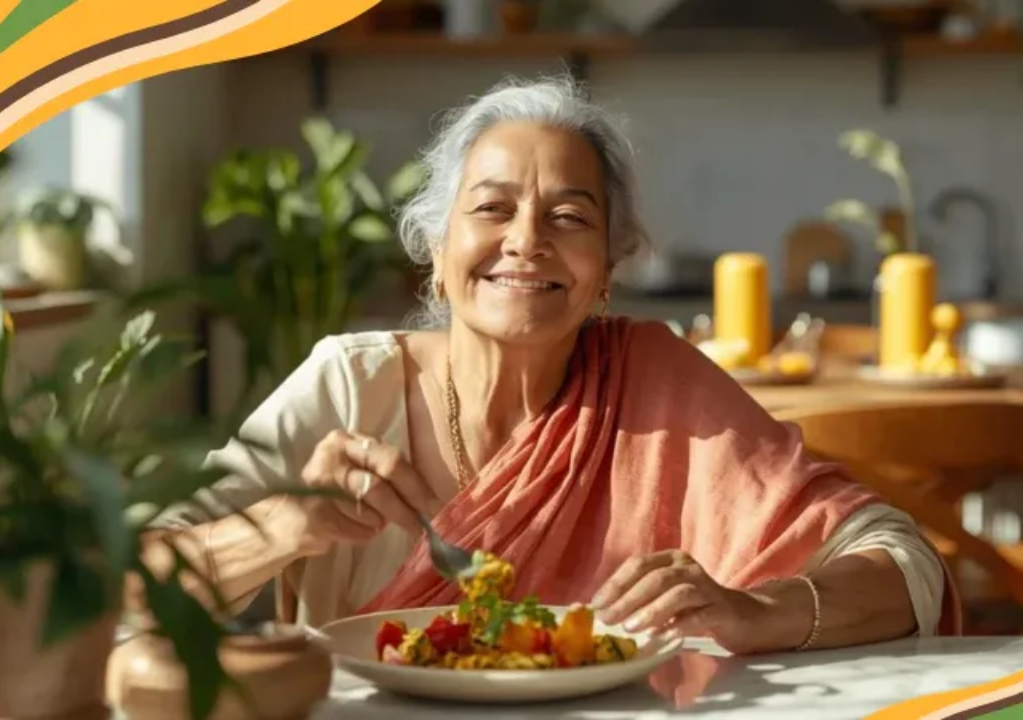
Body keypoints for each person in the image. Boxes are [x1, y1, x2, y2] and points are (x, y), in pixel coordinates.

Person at [149, 75, 956, 654]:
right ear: (437, 251)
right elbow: (124, 590)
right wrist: (278, 527)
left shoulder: (653, 381)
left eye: (568, 216)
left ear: (607, 270)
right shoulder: (347, 387)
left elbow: (904, 564)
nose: (526, 240)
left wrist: (758, 610)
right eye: (491, 207)